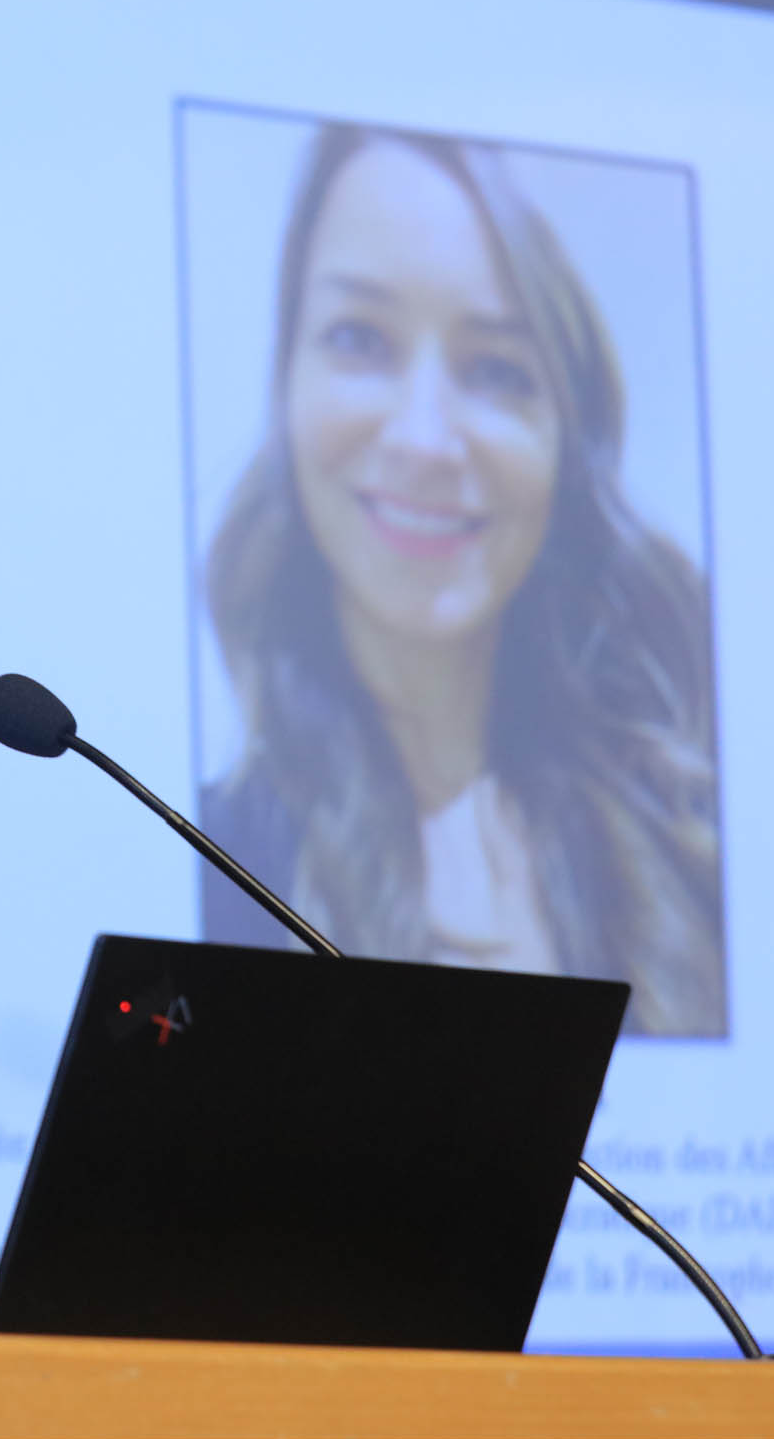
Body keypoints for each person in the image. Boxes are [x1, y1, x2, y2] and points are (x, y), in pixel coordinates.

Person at [197, 124, 726, 1035]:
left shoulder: (690, 845)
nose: (425, 439)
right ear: (285, 385)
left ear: (569, 439)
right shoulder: (210, 866)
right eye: (360, 339)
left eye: (494, 369)